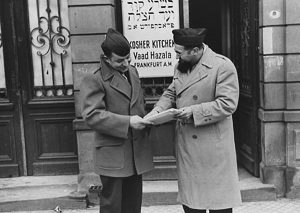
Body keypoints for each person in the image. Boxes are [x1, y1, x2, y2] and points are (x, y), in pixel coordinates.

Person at [145, 28, 242, 213]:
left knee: (218, 204)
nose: (176, 57)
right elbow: (171, 92)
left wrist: (192, 111)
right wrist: (156, 111)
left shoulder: (222, 66)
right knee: (191, 203)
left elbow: (227, 104)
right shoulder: (181, 66)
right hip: (188, 145)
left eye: (179, 53)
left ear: (195, 50)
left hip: (213, 148)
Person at [80, 28, 153, 213]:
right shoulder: (94, 79)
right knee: (113, 206)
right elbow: (92, 116)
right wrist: (128, 122)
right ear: (106, 59)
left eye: (128, 58)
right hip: (113, 155)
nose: (126, 63)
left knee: (133, 205)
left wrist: (150, 118)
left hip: (135, 152)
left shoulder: (133, 72)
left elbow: (138, 104)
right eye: (120, 60)